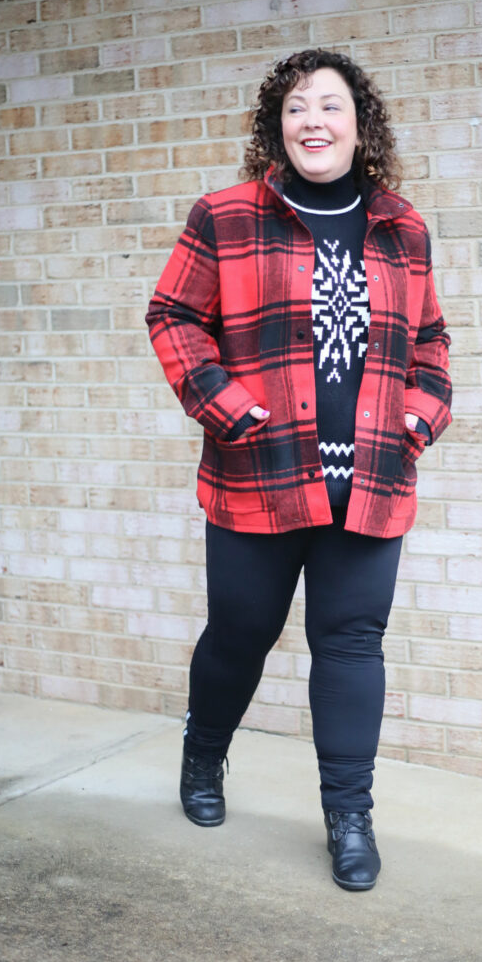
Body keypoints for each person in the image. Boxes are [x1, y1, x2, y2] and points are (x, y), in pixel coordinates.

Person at [145, 49, 451, 891]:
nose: (313, 120)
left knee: (351, 644)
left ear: (361, 125)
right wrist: (225, 405)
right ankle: (204, 753)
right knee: (240, 634)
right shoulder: (226, 216)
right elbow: (172, 314)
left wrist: (421, 414)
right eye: (296, 107)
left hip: (371, 480)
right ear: (276, 126)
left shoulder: (403, 226)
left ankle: (349, 817)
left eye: (330, 105)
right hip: (260, 473)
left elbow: (430, 339)